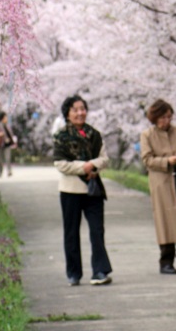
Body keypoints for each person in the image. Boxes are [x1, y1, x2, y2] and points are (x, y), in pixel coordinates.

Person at [53, 95, 113, 287]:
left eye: (83, 108)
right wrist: (83, 168)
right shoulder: (61, 137)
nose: (80, 113)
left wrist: (91, 165)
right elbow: (60, 164)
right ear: (67, 114)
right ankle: (74, 273)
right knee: (71, 233)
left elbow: (104, 159)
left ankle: (100, 271)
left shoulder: (94, 134)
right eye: (75, 109)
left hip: (93, 189)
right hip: (70, 190)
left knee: (97, 230)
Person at [140, 98, 176, 274]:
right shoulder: (147, 135)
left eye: (169, 117)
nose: (167, 121)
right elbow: (147, 160)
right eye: (163, 117)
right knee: (165, 222)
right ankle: (166, 261)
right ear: (155, 117)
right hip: (161, 182)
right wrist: (167, 160)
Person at [0, 111, 16, 177]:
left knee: (8, 158)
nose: (6, 119)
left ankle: (9, 171)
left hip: (7, 144)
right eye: (5, 117)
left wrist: (12, 141)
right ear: (2, 118)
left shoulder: (7, 126)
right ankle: (0, 172)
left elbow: (10, 134)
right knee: (0, 159)